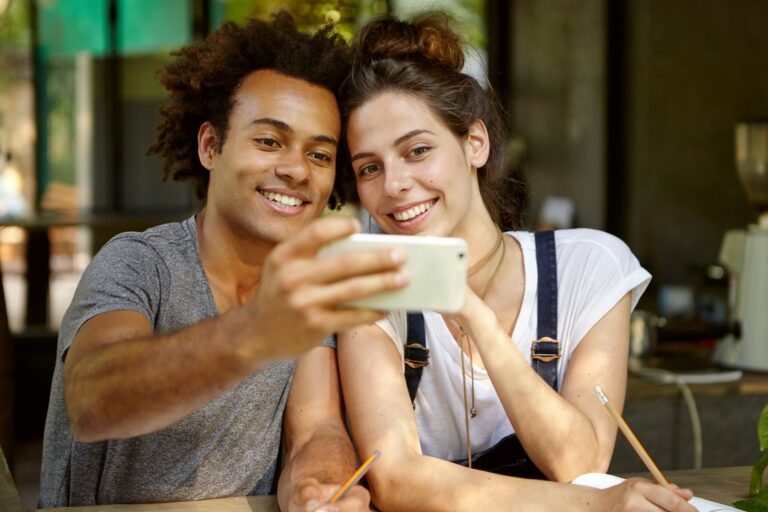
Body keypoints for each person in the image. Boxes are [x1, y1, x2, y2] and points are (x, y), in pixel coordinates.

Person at [38, 12, 408, 510]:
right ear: (211, 146)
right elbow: (92, 401)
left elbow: (315, 429)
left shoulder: (306, 283)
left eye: (320, 155)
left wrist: (320, 486)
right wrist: (256, 332)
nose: (296, 169)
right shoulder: (139, 263)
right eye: (269, 141)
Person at [336, 12, 696, 511]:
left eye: (417, 150)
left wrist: (475, 316)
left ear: (474, 143)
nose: (393, 185)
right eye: (369, 167)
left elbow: (579, 463)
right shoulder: (368, 289)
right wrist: (594, 506)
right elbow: (396, 480)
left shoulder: (589, 268)